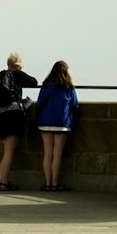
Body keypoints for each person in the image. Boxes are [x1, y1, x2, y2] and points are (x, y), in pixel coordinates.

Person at [0, 51, 37, 191]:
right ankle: (3, 183)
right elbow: (34, 82)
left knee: (6, 150)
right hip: (12, 115)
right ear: (17, 65)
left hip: (0, 114)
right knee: (10, 151)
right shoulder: (15, 73)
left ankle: (0, 181)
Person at [36, 60, 79, 191]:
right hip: (62, 123)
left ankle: (47, 183)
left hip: (45, 122)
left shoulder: (47, 85)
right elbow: (75, 105)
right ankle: (55, 184)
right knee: (57, 154)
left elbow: (40, 103)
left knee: (47, 153)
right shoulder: (68, 88)